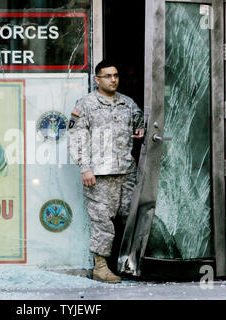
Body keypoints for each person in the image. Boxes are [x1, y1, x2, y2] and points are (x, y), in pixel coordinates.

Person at [68, 60, 144, 283]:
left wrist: (141, 129)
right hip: (99, 176)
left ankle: (128, 264)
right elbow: (77, 138)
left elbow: (141, 123)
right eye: (108, 76)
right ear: (97, 79)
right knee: (102, 222)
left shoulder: (127, 103)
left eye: (116, 75)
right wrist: (85, 168)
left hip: (126, 172)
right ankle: (100, 268)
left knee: (130, 219)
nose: (113, 80)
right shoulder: (86, 104)